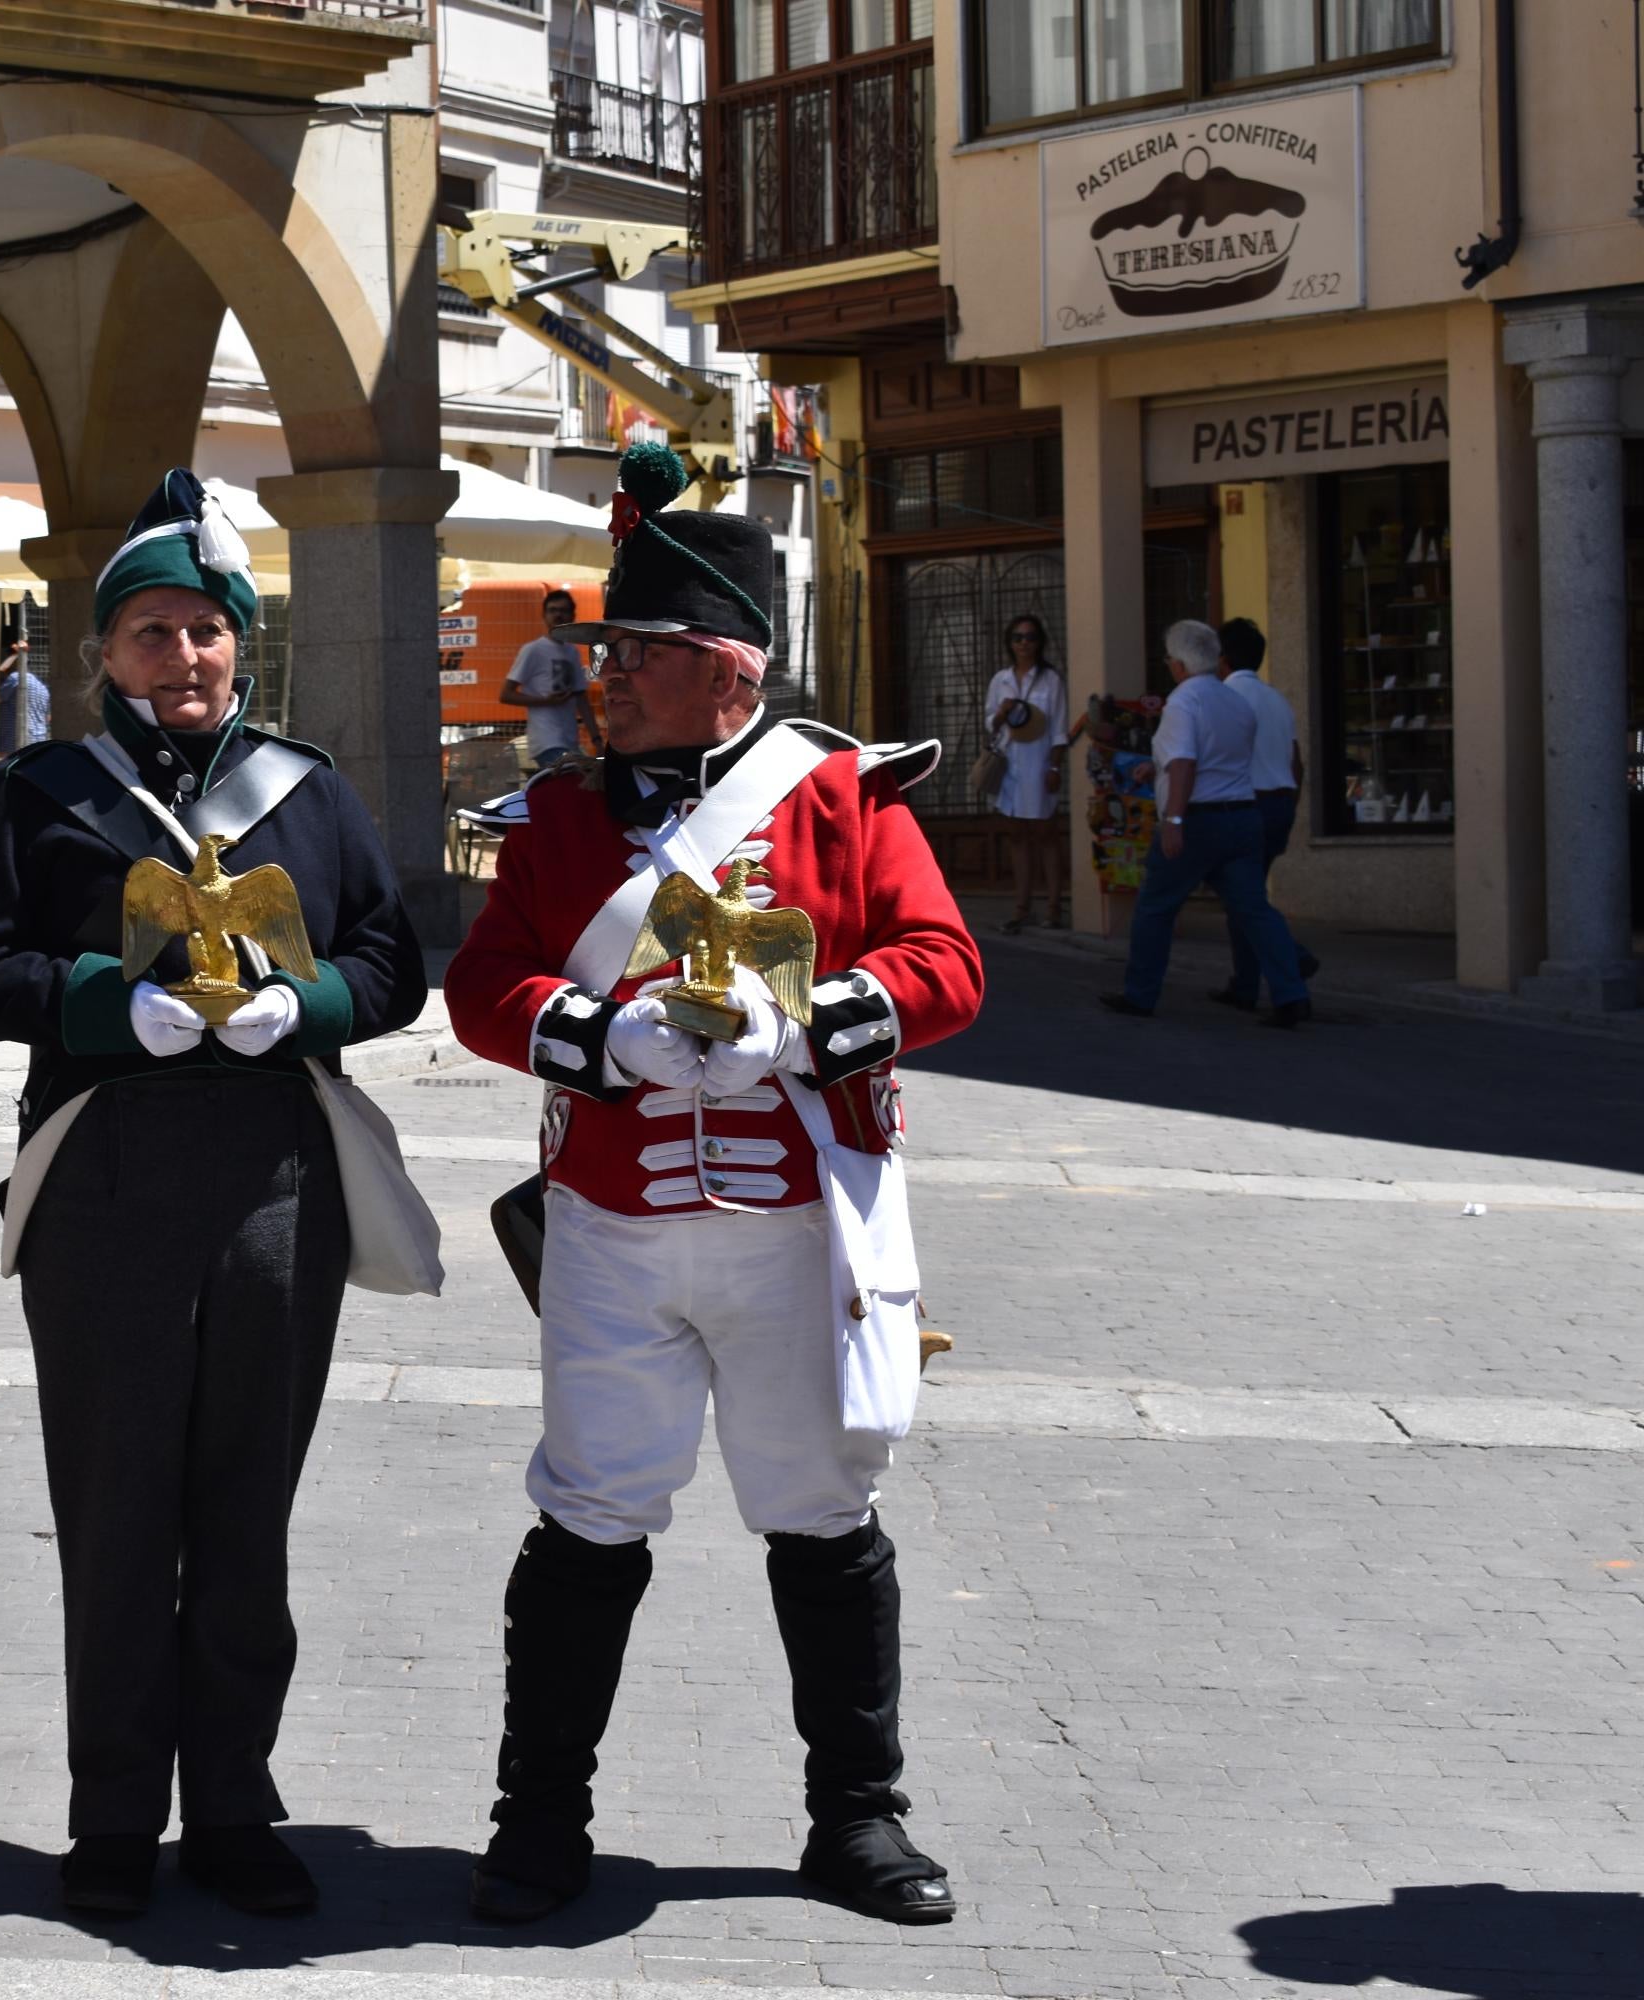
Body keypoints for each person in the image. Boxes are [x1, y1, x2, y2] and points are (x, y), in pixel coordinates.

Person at [445, 444, 983, 1930]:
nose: (601, 677)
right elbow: (485, 992)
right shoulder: (558, 821)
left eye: (635, 654)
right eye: (608, 653)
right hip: (615, 1233)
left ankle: (857, 1819)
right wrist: (599, 1034)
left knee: (821, 1513)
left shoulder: (842, 799)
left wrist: (806, 1025)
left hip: (799, 1235)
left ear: (726, 670)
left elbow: (947, 967)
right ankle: (537, 1821)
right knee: (587, 1521)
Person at [0, 469, 430, 1921]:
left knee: (243, 1516)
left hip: (276, 1182)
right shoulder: (42, 797)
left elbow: (397, 963)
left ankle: (230, 1806)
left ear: (239, 644)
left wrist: (316, 1005)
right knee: (113, 1511)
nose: (185, 657)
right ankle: (109, 1819)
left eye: (207, 630)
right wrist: (102, 1004)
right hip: (106, 1178)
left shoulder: (311, 789)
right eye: (151, 632)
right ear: (102, 654)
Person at [1100, 620, 1311, 1027]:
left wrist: (1174, 819)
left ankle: (1140, 995)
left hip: (1198, 817)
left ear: (1178, 664)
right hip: (1242, 815)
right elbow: (1214, 757)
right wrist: (1156, 768)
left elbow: (1185, 763)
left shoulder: (1184, 701)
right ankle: (1292, 993)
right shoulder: (1235, 701)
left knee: (1155, 907)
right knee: (1254, 909)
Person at [1212, 617, 1318, 1012]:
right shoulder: (1276, 698)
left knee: (1243, 898)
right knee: (1246, 895)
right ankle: (1245, 984)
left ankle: (1289, 957)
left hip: (1244, 805)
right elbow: (1296, 762)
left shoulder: (1224, 697)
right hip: (1279, 803)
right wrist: (1289, 804)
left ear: (1221, 658)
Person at [983, 615, 1069, 932]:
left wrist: (1055, 766)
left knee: (1046, 835)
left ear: (1039, 642)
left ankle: (1054, 907)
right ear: (1010, 642)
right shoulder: (1000, 680)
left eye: (1030, 637)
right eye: (1018, 637)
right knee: (1017, 835)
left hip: (1040, 764)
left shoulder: (1051, 681)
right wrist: (1002, 712)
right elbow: (989, 724)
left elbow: (1060, 728)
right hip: (1010, 765)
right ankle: (1022, 906)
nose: (1024, 643)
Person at [499, 588, 595, 770]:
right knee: (576, 781)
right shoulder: (533, 650)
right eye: (553, 610)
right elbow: (505, 694)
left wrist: (596, 739)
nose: (558, 615)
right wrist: (545, 701)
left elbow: (581, 699)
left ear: (572, 616)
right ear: (544, 616)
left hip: (568, 740)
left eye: (563, 610)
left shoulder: (572, 652)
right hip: (546, 741)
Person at [0, 631, 52, 753]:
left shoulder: (15, 678)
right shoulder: (42, 686)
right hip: (38, 738)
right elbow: (48, 717)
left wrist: (16, 655)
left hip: (15, 740)